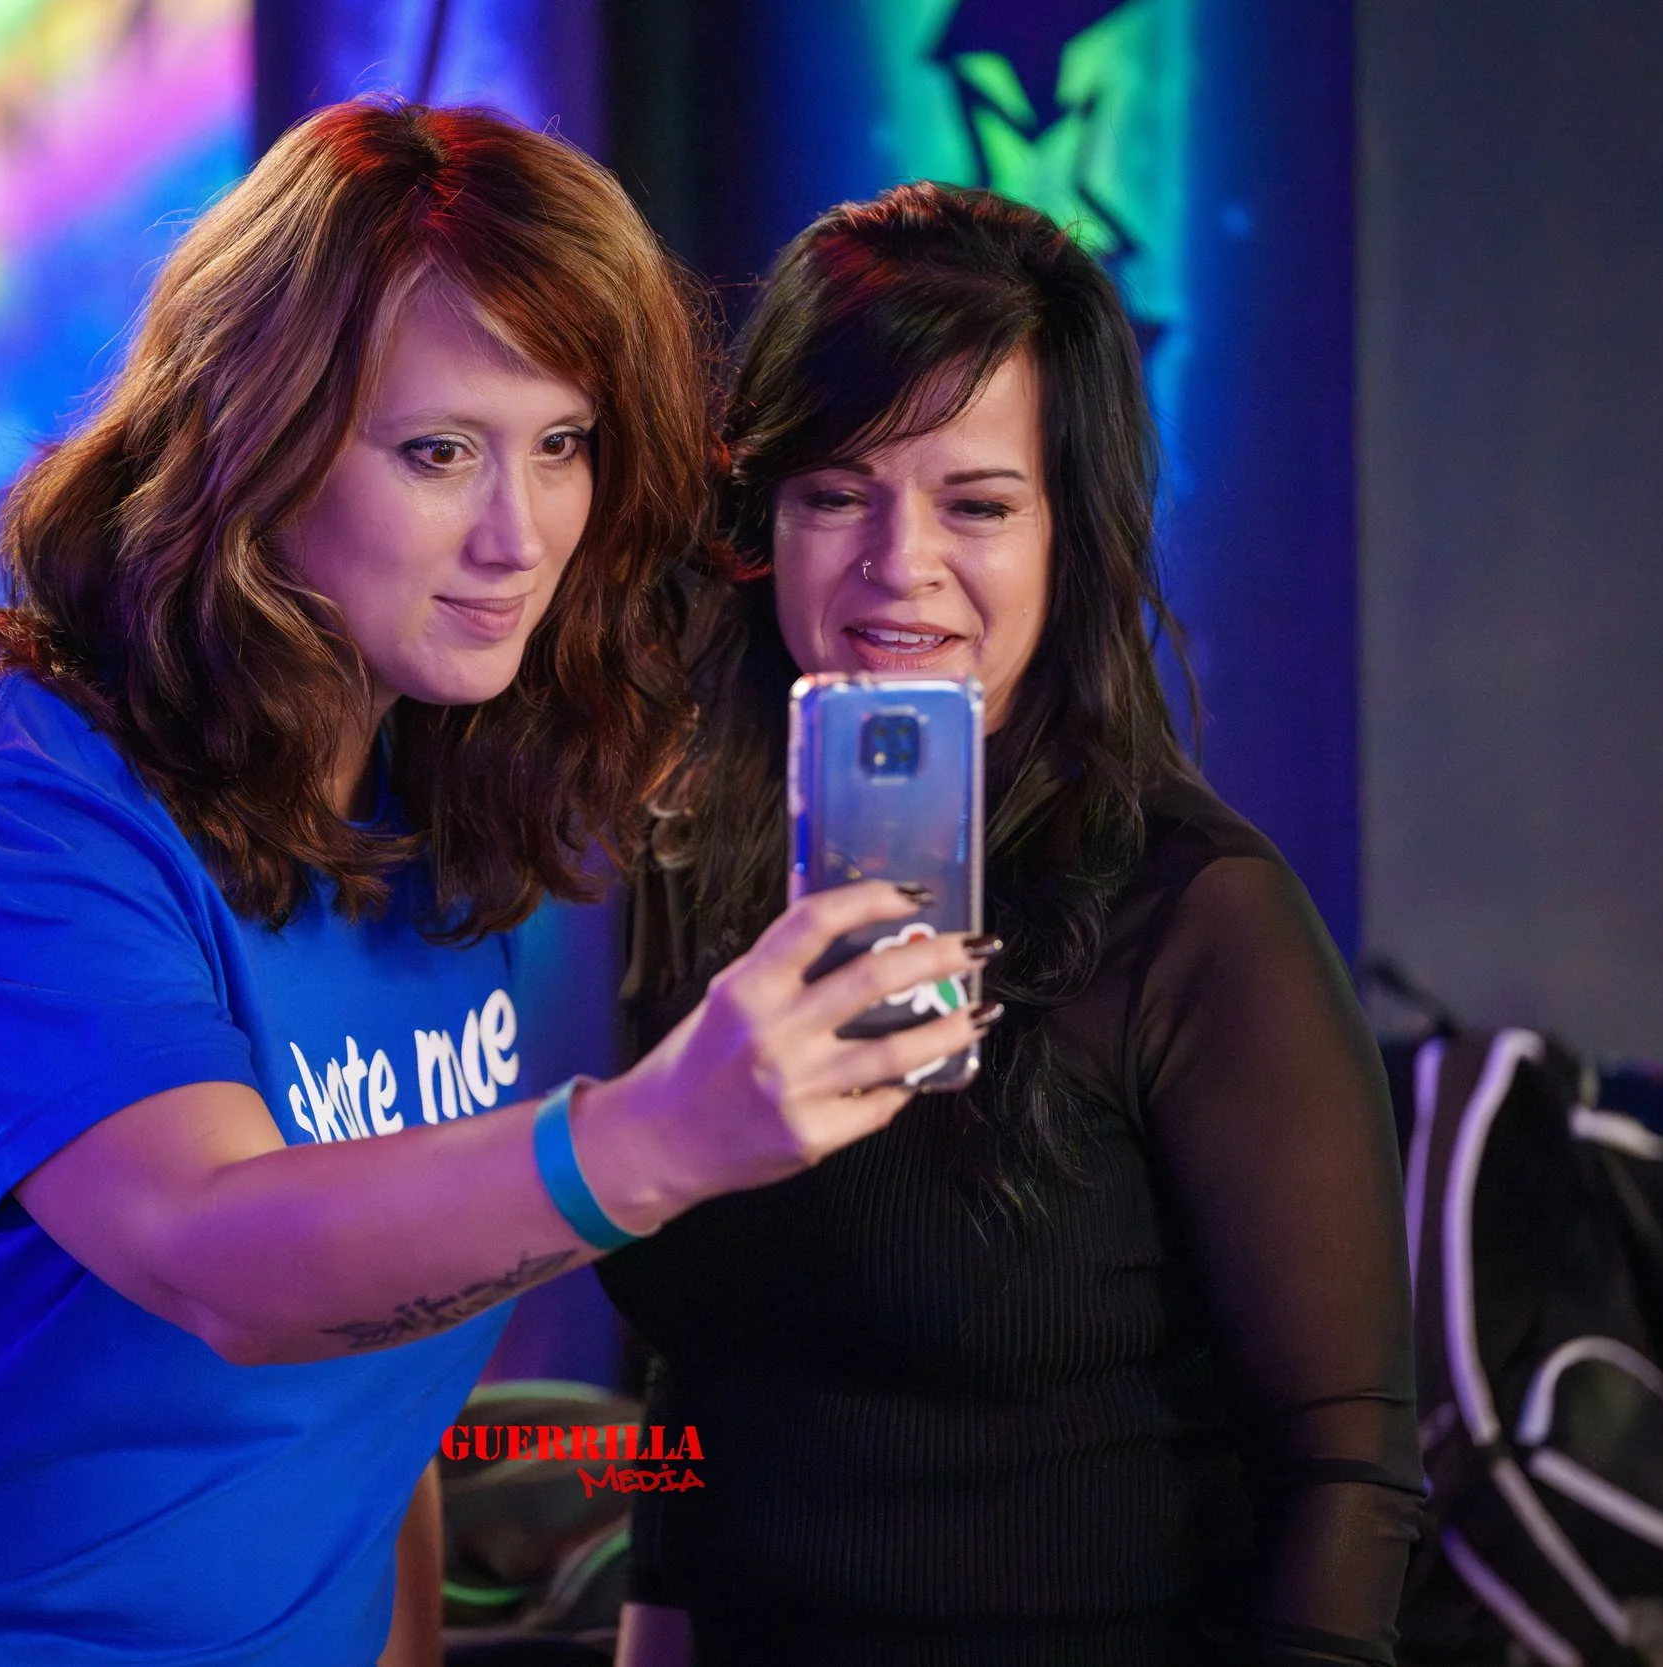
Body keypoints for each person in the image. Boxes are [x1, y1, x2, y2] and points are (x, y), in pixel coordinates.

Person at [0, 104, 996, 1667]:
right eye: (438, 452)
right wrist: (657, 1132)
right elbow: (221, 1252)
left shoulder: (429, 783)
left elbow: (369, 1392)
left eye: (564, 446)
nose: (520, 534)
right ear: (251, 439)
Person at [603, 182, 1423, 1667]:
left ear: (1071, 535)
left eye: (976, 502)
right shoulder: (697, 873)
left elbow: (1350, 1479)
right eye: (834, 492)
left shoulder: (1200, 921)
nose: (896, 561)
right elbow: (707, 1378)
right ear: (761, 524)